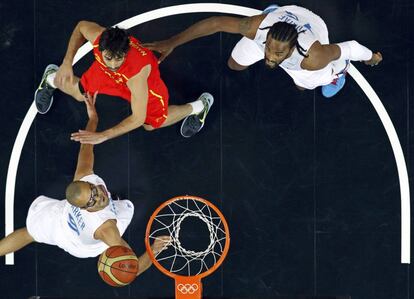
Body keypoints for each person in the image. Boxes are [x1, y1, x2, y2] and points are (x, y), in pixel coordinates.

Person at [0, 92, 170, 276]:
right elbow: (131, 271)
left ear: (88, 184)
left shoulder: (84, 175)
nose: (100, 196)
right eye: (93, 201)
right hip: (82, 245)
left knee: (29, 233)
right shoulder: (107, 229)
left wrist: (93, 118)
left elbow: (86, 145)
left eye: (94, 191)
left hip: (59, 221)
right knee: (128, 207)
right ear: (86, 208)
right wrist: (154, 250)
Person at [143, 4, 383, 98]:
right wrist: (173, 41)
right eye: (269, 48)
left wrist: (372, 58)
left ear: (290, 49)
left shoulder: (313, 57)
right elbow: (215, 23)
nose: (270, 56)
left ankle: (339, 73)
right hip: (279, 20)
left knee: (303, 86)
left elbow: (350, 47)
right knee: (234, 64)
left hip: (312, 27)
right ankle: (275, 12)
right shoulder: (256, 28)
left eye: (277, 54)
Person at [34, 21, 214, 142]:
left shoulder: (138, 74)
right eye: (108, 57)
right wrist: (67, 63)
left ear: (126, 51)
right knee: (82, 95)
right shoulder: (99, 38)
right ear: (100, 47)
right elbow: (81, 26)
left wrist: (103, 135)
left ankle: (200, 106)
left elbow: (137, 118)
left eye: (118, 58)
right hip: (104, 75)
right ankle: (51, 77)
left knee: (151, 125)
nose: (113, 63)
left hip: (140, 85)